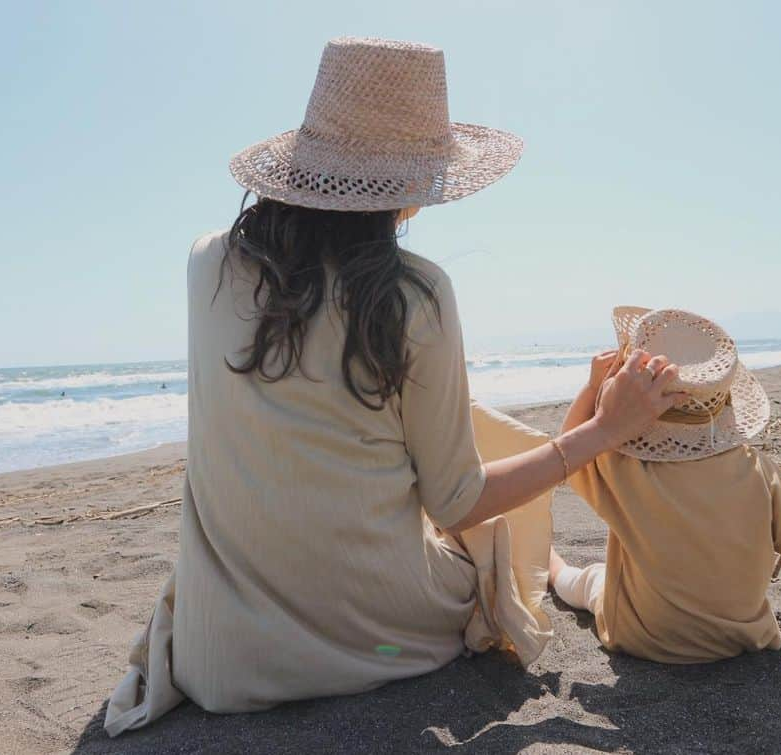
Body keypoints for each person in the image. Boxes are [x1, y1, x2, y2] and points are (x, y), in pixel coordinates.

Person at [104, 38, 684, 736]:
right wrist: (600, 432)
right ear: (411, 184)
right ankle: (555, 568)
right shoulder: (414, 297)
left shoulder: (206, 264)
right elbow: (458, 501)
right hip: (383, 640)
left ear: (301, 163)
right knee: (489, 540)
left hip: (221, 662)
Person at [549, 307, 781, 663]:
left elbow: (571, 446)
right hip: (742, 637)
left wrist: (593, 389)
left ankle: (554, 569)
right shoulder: (757, 470)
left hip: (645, 637)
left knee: (592, 582)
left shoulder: (623, 466)